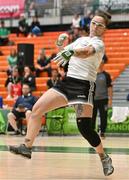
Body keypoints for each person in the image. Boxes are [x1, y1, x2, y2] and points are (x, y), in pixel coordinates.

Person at [9, 11, 114, 176]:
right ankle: (27, 147)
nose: (95, 26)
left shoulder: (99, 44)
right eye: (94, 22)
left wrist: (71, 51)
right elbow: (63, 54)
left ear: (104, 29)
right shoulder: (80, 39)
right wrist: (61, 43)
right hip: (67, 83)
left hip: (83, 86)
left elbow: (86, 52)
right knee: (37, 110)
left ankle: (103, 157)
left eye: (100, 25)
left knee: (85, 128)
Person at [92, 61, 112, 139]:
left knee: (104, 116)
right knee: (92, 116)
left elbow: (110, 87)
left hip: (104, 99)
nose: (99, 64)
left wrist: (110, 99)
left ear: (103, 64)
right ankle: (92, 132)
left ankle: (102, 132)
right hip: (93, 100)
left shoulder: (106, 75)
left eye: (101, 62)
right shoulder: (92, 74)